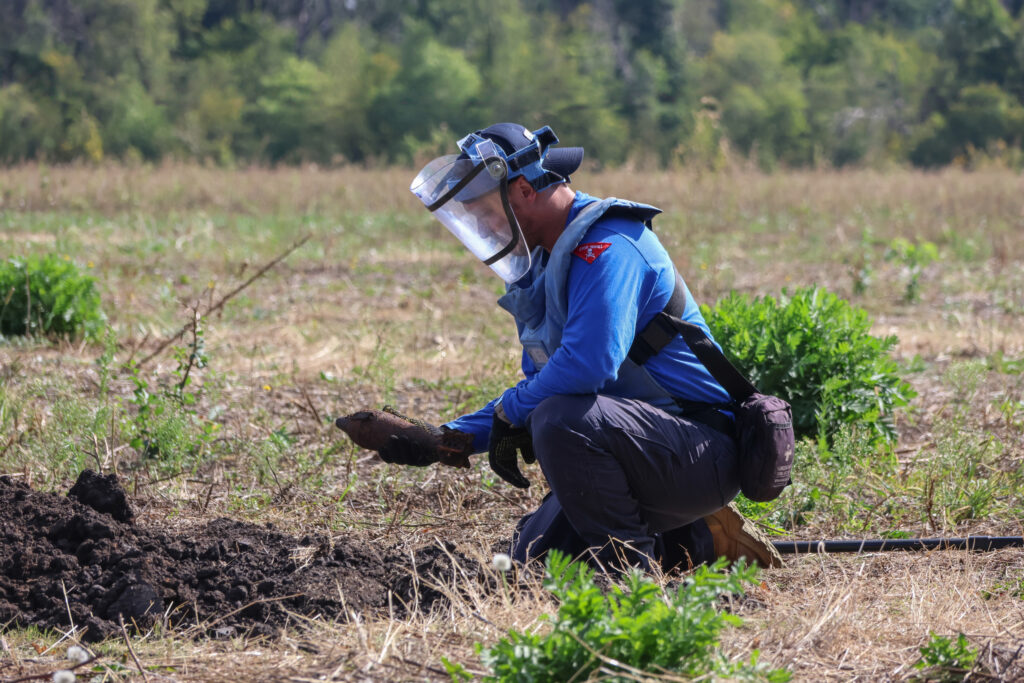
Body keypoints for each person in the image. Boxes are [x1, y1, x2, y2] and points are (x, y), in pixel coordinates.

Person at [380, 122, 779, 572]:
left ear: (526, 189)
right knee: (530, 563)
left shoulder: (609, 246)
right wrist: (446, 439)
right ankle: (698, 540)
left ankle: (630, 578)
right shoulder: (552, 260)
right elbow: (540, 383)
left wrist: (512, 409)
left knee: (559, 419)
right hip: (646, 444)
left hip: (702, 452)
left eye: (486, 211)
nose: (484, 227)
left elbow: (587, 367)